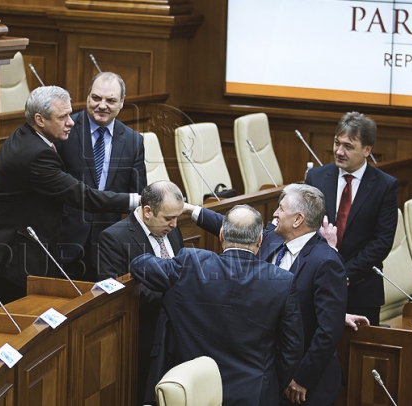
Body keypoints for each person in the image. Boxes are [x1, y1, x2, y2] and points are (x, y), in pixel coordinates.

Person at [0, 85, 139, 326]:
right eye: (62, 117)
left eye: (70, 114)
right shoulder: (36, 154)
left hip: (1, 252)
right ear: (39, 119)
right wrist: (137, 200)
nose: (71, 122)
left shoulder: (27, 136)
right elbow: (84, 196)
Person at [130, 204, 304, 406]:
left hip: (195, 392)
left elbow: (140, 265)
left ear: (221, 235)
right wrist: (270, 384)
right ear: (259, 241)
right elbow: (292, 349)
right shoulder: (282, 281)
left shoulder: (191, 263)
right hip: (254, 393)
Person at [305, 112, 399, 326]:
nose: (339, 151)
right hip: (318, 286)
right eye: (337, 143)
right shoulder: (316, 178)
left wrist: (342, 274)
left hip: (361, 289)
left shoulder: (385, 186)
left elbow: (381, 242)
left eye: (348, 146)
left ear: (367, 150)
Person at [97, 180, 184, 405]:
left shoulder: (172, 229)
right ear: (147, 211)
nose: (174, 225)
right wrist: (179, 296)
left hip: (175, 333)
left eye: (177, 217)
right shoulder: (113, 238)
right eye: (168, 218)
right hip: (141, 338)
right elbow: (116, 295)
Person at [56, 72, 146, 281]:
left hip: (107, 244)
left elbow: (139, 195)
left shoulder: (133, 141)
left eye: (110, 100)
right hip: (64, 239)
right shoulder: (64, 129)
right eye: (96, 98)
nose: (102, 105)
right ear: (87, 97)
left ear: (122, 102)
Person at [267, 184, 347, 405]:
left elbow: (329, 330)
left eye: (280, 209)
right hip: (272, 375)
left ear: (297, 219)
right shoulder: (273, 243)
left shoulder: (326, 262)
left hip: (305, 385)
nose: (274, 214)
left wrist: (303, 378)